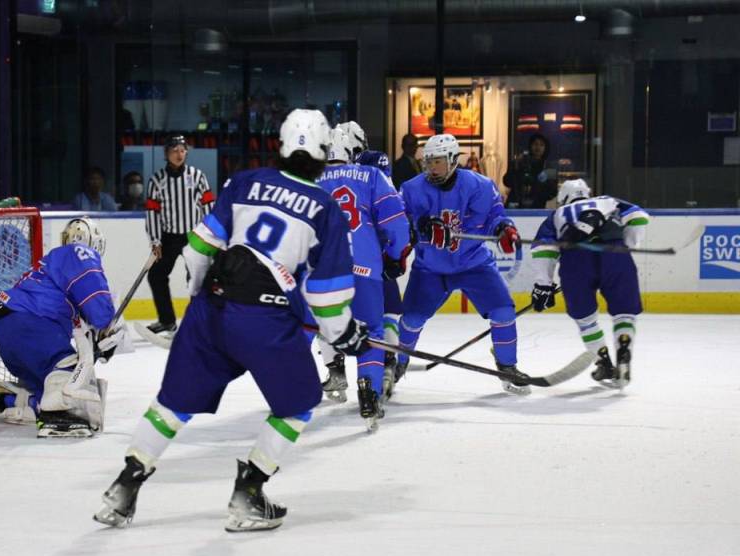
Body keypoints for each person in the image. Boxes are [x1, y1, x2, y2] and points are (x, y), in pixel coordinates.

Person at [93, 108, 365, 533]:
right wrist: (344, 334)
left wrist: (201, 301)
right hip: (266, 319)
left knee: (173, 403)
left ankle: (124, 487)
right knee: (297, 406)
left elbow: (197, 249)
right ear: (323, 152)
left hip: (212, 310)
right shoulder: (325, 208)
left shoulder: (244, 182)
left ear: (280, 144)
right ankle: (248, 495)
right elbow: (327, 295)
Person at [395, 133, 530, 395]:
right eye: (428, 162)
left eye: (437, 161)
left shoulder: (480, 185)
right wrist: (421, 227)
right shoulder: (411, 188)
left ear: (452, 159)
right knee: (411, 319)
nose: (431, 167)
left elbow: (495, 215)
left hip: (473, 264)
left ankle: (507, 365)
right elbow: (400, 221)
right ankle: (396, 364)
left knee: (503, 312)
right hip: (430, 268)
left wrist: (504, 228)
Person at [0, 216, 125, 437]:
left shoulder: (52, 266)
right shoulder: (79, 253)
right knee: (69, 371)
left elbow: (83, 324)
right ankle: (56, 415)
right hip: (30, 323)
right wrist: (109, 324)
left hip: (8, 327)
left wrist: (97, 342)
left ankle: (18, 400)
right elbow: (99, 309)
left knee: (48, 380)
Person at [316, 126, 408, 429]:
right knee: (373, 331)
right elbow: (396, 222)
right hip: (365, 268)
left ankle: (296, 386)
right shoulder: (371, 175)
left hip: (322, 273)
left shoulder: (307, 180)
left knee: (309, 327)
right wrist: (395, 255)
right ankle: (369, 391)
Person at [530, 179, 649, 387]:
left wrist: (544, 285)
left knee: (585, 319)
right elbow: (638, 216)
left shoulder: (557, 214)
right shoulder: (608, 201)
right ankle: (624, 351)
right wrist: (629, 243)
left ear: (563, 198)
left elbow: (544, 250)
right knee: (624, 313)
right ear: (587, 193)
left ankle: (604, 362)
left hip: (576, 261)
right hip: (615, 254)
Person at [143, 134, 216, 338]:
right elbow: (152, 213)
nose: (179, 154)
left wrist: (210, 235)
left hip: (194, 237)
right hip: (169, 237)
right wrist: (155, 240)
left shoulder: (197, 176)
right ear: (166, 153)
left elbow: (208, 206)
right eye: (174, 150)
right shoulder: (157, 180)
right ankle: (167, 321)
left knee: (197, 279)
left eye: (182, 150)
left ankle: (197, 322)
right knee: (156, 275)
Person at [503, 133, 557, 209]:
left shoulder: (549, 168)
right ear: (530, 146)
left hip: (537, 207)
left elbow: (553, 192)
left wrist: (539, 193)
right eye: (535, 144)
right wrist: (514, 166)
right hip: (516, 206)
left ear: (545, 148)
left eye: (541, 145)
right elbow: (507, 182)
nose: (538, 147)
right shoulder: (520, 163)